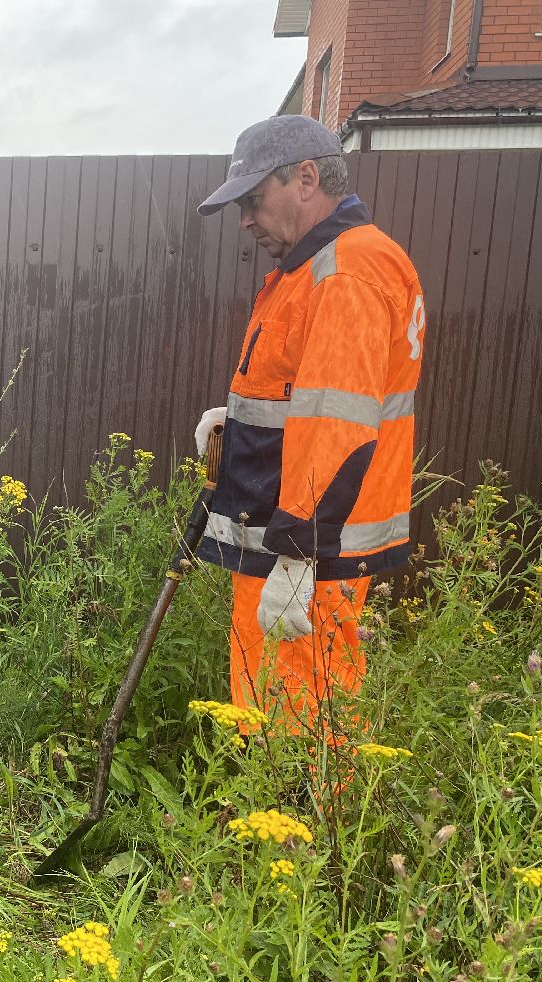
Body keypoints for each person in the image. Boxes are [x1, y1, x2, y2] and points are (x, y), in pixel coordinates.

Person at [192, 114, 425, 746]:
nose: (245, 219)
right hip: (287, 527)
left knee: (299, 709)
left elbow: (338, 424)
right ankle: (266, 826)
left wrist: (299, 557)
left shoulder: (346, 272)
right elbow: (306, 394)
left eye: (253, 199)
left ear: (305, 178)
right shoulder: (317, 265)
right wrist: (238, 422)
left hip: (309, 543)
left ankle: (303, 836)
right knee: (270, 698)